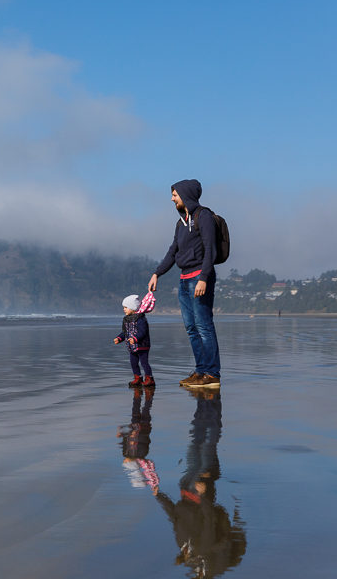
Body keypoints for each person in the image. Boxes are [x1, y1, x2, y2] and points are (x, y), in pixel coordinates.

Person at [154, 391, 247, 578]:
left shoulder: (184, 546)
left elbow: (174, 518)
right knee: (207, 443)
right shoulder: (204, 547)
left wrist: (159, 496)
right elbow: (209, 519)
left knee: (195, 441)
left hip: (185, 486)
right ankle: (213, 402)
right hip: (200, 489)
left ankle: (204, 401)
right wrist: (203, 495)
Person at [148, 179, 221, 389]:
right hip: (184, 279)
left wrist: (204, 278)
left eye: (174, 194)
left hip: (199, 277)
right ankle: (200, 371)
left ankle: (212, 374)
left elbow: (210, 250)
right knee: (191, 328)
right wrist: (157, 273)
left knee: (204, 326)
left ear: (185, 194)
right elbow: (173, 252)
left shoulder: (203, 216)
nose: (172, 198)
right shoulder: (181, 223)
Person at [113, 294, 155, 388]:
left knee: (144, 363)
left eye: (126, 307)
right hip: (132, 346)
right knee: (133, 363)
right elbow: (125, 332)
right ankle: (138, 378)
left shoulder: (141, 319)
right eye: (123, 307)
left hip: (142, 345)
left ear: (133, 308)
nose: (124, 309)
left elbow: (143, 332)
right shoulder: (126, 320)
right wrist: (119, 338)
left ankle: (149, 378)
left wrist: (135, 338)